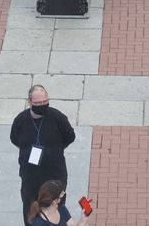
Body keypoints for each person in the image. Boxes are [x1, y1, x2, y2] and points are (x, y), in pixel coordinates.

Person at [12, 85, 77, 218]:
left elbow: (70, 136)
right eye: (38, 103)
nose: (42, 105)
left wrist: (55, 151)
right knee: (30, 210)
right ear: (30, 102)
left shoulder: (57, 117)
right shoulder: (21, 120)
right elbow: (14, 139)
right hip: (31, 177)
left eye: (45, 101)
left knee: (57, 211)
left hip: (54, 176)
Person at [26, 180, 92, 226]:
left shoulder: (61, 208)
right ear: (54, 201)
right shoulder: (38, 223)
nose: (61, 200)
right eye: (60, 197)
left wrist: (83, 218)